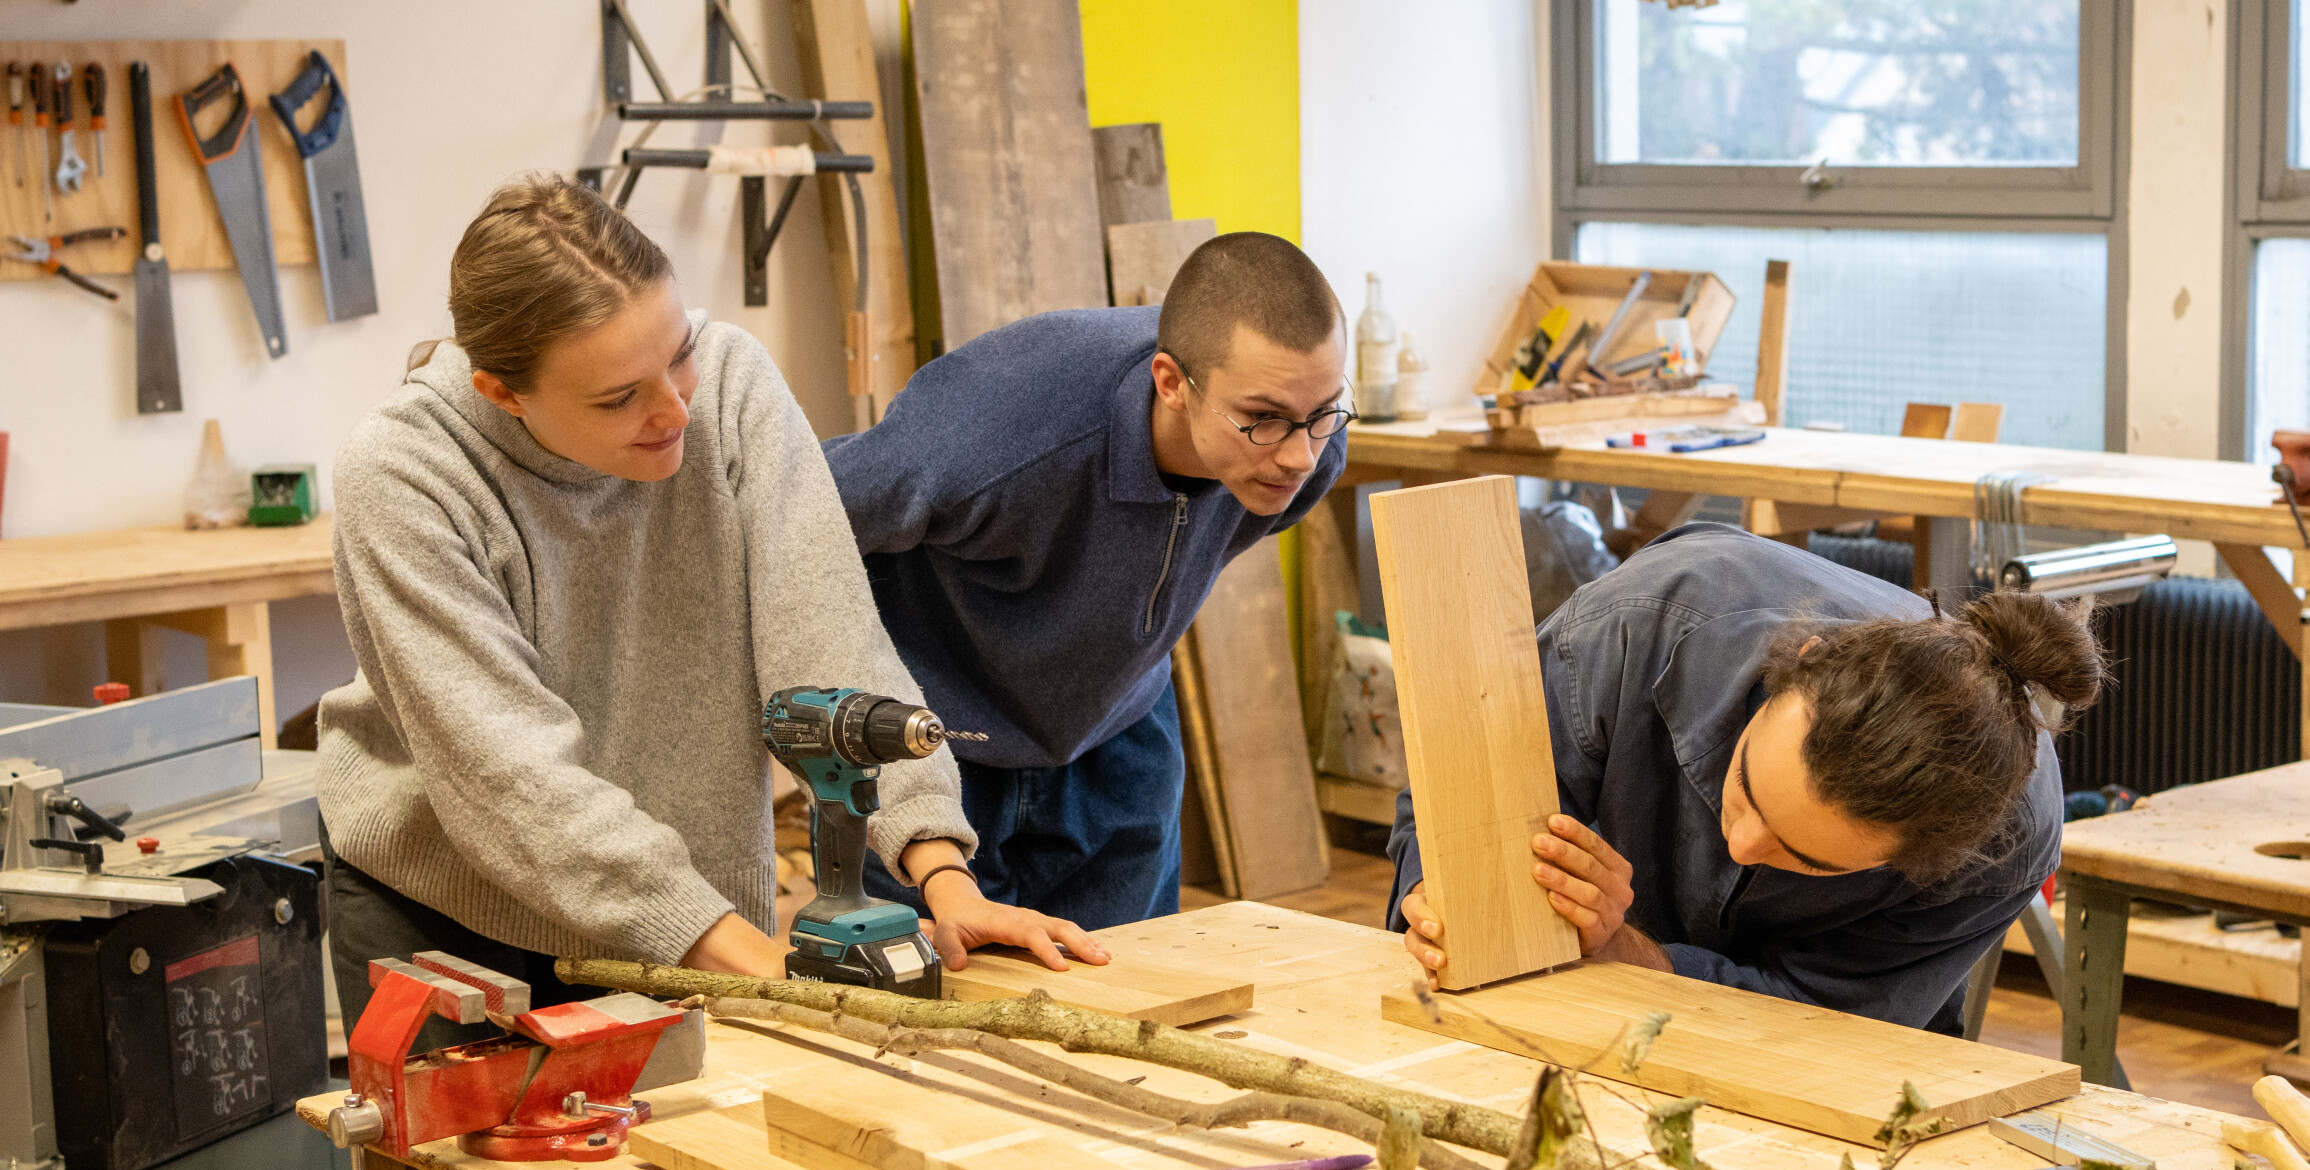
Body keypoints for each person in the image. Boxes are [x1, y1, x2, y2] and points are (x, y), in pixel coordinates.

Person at [318, 174, 1101, 1048]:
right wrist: (757, 962)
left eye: (678, 352)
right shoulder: (405, 473)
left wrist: (943, 873)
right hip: (454, 918)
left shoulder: (729, 384)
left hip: (687, 913)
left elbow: (829, 639)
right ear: (503, 392)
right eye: (620, 396)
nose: (675, 407)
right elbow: (511, 781)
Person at [824, 232, 1350, 929]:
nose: (1299, 457)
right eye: (1262, 421)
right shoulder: (998, 429)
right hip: (932, 751)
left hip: (1117, 742)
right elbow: (806, 520)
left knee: (1121, 1012)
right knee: (908, 1024)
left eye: (1320, 415)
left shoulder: (1309, 435)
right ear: (1170, 382)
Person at [1391, 522, 2103, 1035]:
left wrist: (1626, 949)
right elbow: (1448, 790)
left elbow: (1823, 1026)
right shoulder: (1636, 628)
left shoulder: (2003, 843)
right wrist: (1445, 893)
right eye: (1747, 787)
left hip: (1799, 1054)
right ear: (1803, 659)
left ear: (1928, 857)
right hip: (1570, 1008)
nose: (1740, 843)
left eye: (1806, 857)